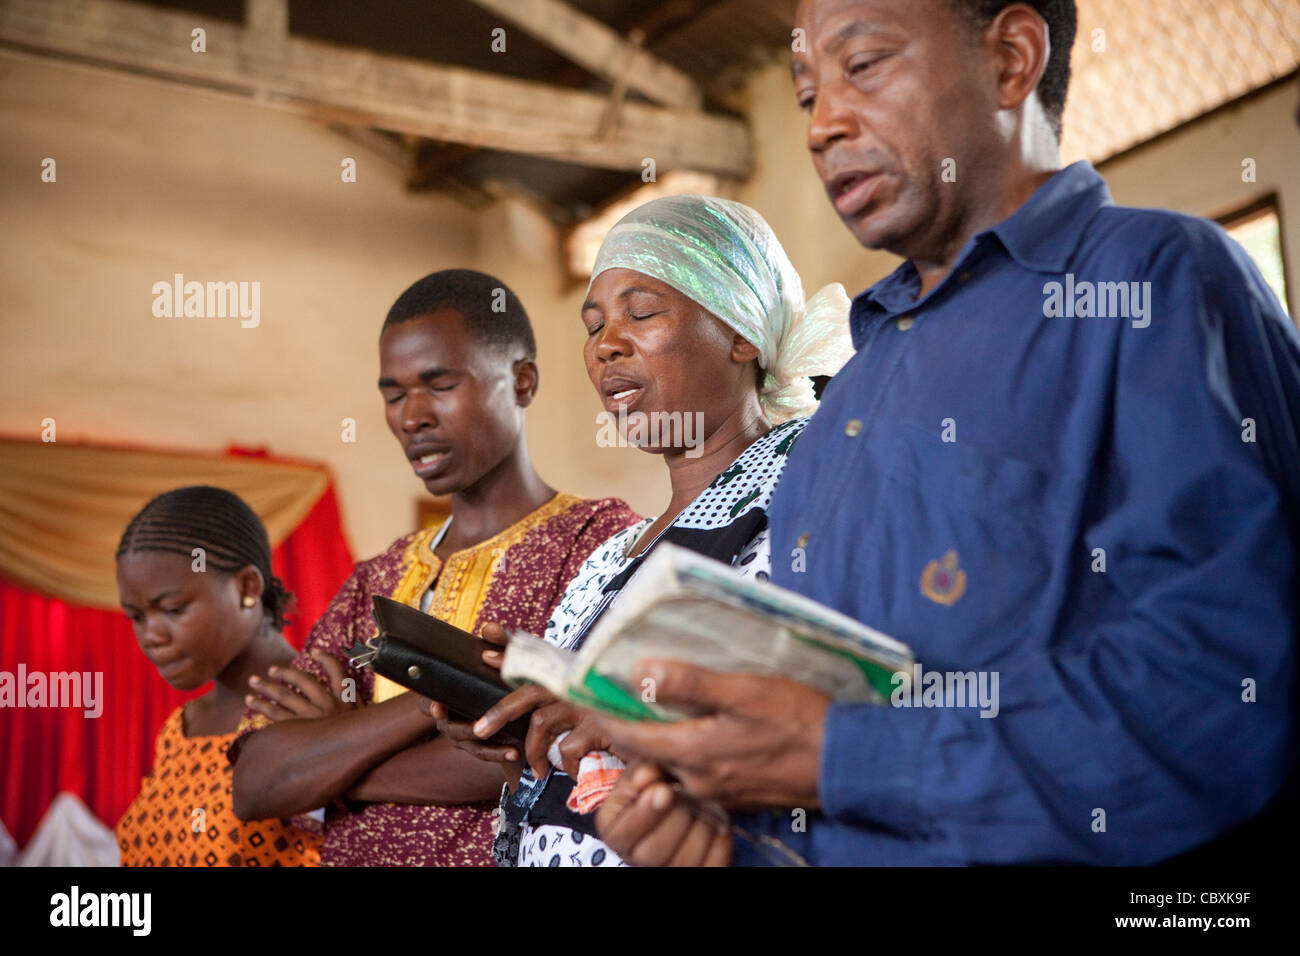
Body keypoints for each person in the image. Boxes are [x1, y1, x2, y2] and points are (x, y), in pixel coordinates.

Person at [591, 0, 1300, 866]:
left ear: (1010, 59)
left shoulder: (1154, 284)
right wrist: (729, 839)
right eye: (808, 92)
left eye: (865, 66)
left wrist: (840, 758)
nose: (822, 126)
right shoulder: (845, 407)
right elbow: (830, 754)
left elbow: (1229, 695)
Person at [426, 195, 854, 865]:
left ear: (742, 334)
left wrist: (626, 717)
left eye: (642, 312)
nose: (606, 346)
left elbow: (830, 710)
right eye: (593, 327)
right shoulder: (608, 560)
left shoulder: (813, 488)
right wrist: (520, 724)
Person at [229, 269, 639, 866]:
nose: (411, 416)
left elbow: (545, 756)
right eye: (393, 394)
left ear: (522, 381)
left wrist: (342, 750)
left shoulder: (598, 540)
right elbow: (258, 782)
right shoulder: (375, 577)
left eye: (439, 384)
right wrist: (439, 698)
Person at [114, 486, 322, 867]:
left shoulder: (320, 704)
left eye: (173, 609)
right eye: (137, 617)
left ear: (247, 587)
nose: (151, 636)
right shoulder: (178, 730)